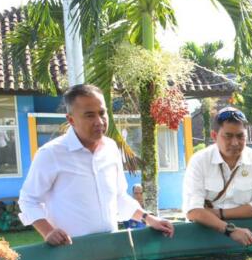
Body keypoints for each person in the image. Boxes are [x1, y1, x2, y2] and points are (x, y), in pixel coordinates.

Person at [19, 85, 173, 245]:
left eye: (102, 113)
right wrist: (48, 232)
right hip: (69, 253)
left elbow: (119, 197)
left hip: (110, 250)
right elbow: (28, 200)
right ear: (71, 119)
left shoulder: (112, 148)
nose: (99, 121)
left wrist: (148, 219)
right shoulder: (51, 154)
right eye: (89, 115)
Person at [183, 107, 252, 247]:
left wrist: (217, 213)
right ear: (214, 136)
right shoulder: (199, 161)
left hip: (248, 237)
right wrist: (230, 230)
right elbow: (193, 211)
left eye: (240, 136)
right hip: (203, 239)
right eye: (228, 136)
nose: (235, 142)